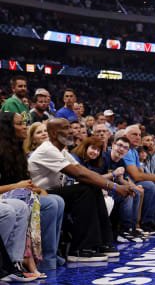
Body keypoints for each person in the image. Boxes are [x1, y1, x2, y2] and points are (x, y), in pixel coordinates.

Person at [28, 118, 133, 262]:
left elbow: (83, 170)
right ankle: (79, 249)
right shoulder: (47, 149)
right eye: (66, 128)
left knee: (92, 186)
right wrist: (114, 186)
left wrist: (114, 185)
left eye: (70, 127)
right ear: (53, 133)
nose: (71, 131)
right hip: (40, 194)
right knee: (84, 190)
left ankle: (103, 242)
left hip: (53, 192)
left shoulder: (61, 150)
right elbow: (79, 174)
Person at [0, 112, 65, 274]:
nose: (24, 126)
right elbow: (14, 185)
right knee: (48, 204)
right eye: (19, 124)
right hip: (6, 197)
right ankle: (29, 260)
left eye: (24, 123)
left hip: (19, 194)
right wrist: (17, 186)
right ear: (7, 128)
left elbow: (25, 181)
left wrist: (37, 189)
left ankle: (51, 255)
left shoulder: (17, 150)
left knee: (56, 200)